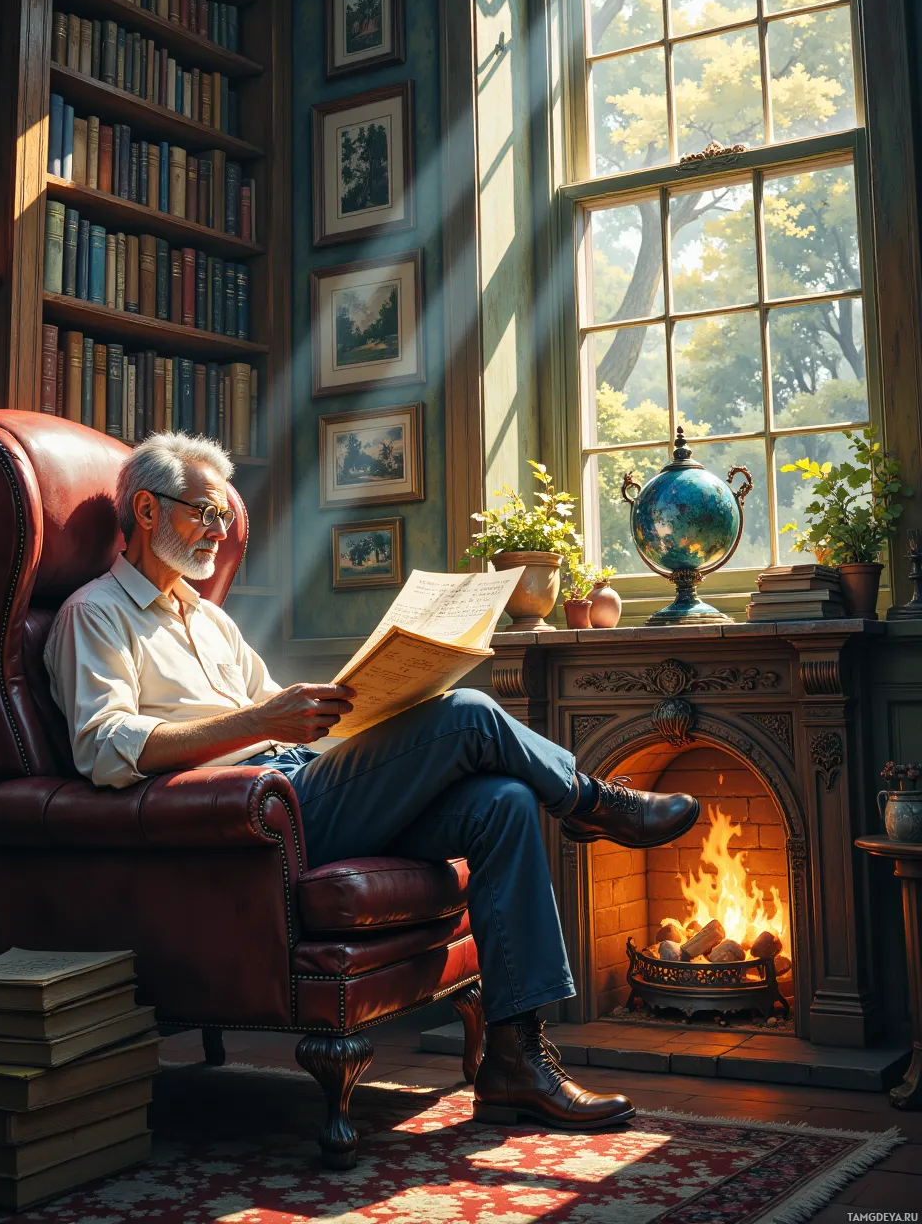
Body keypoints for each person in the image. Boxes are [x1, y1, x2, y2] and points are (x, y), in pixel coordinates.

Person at [45, 433, 700, 1131]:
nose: (218, 530)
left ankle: (516, 1060)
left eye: (224, 517)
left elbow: (287, 723)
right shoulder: (94, 614)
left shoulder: (209, 619)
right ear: (147, 510)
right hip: (254, 816)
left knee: (502, 802)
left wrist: (370, 713)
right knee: (470, 714)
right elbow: (103, 750)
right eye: (204, 512)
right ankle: (593, 803)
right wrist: (263, 720)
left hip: (303, 781)